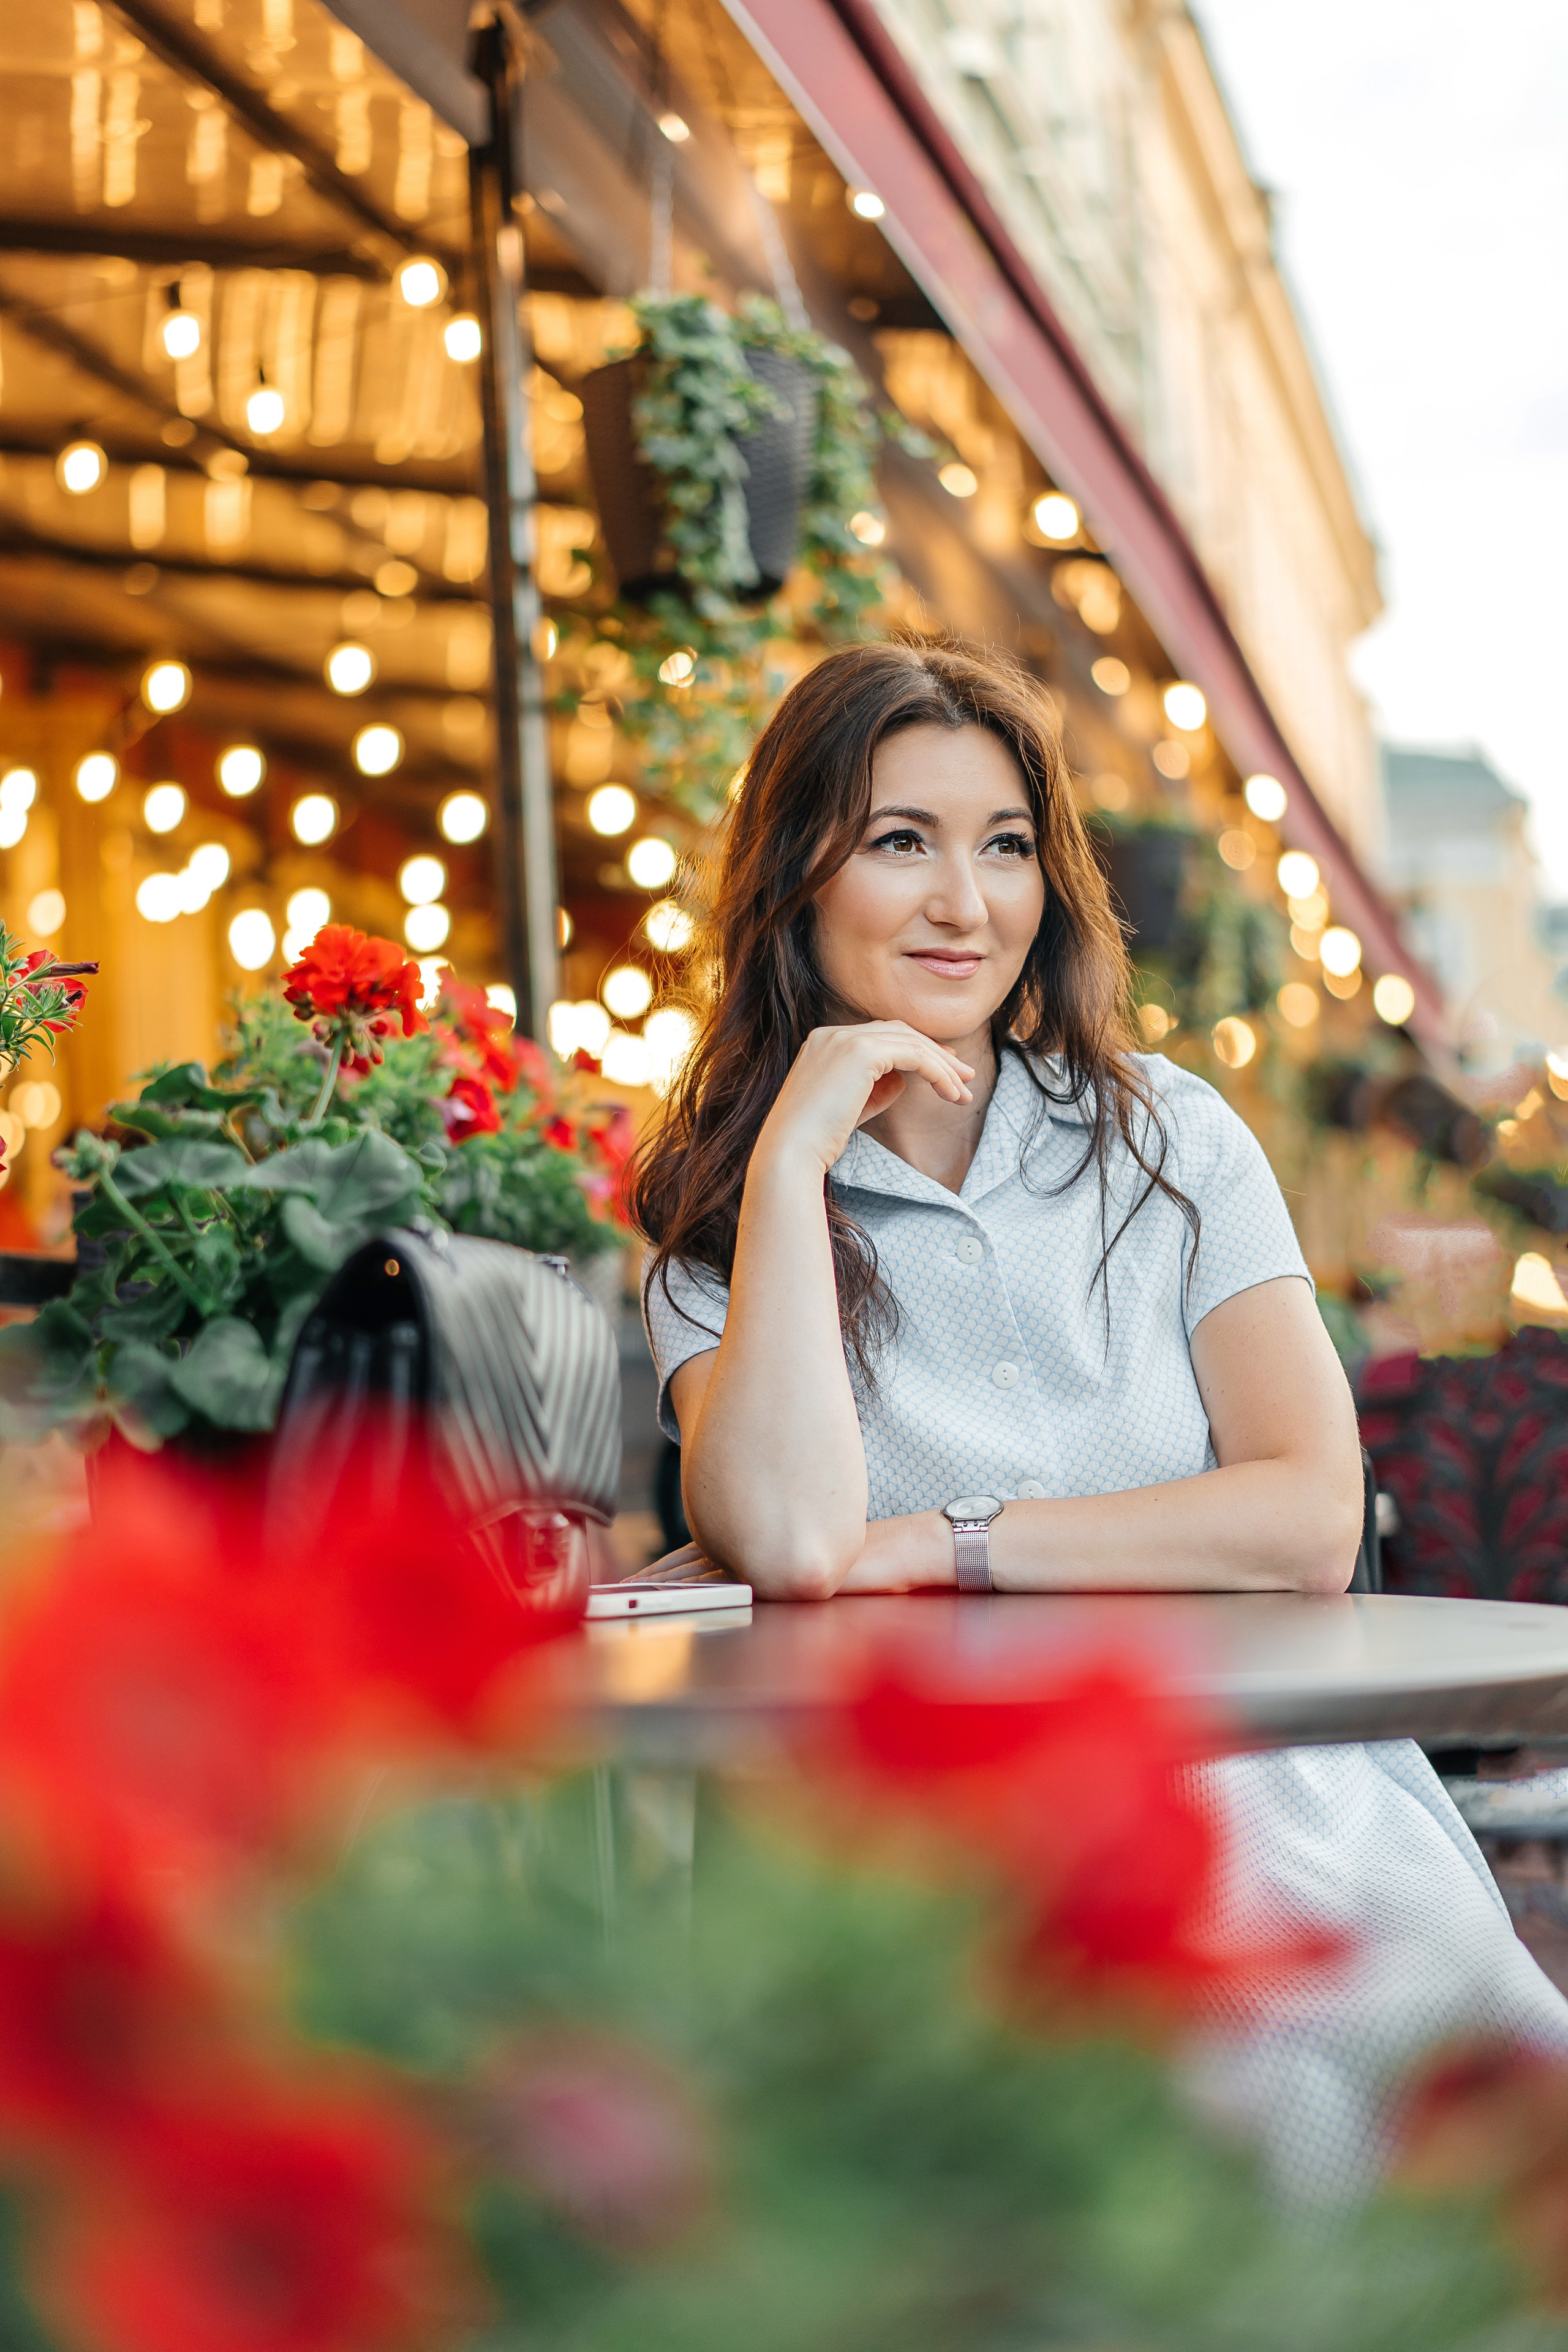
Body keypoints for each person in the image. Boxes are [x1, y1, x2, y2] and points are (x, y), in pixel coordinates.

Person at [633, 640, 1568, 2198]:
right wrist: (793, 1156)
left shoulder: (1169, 1138)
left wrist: (947, 1539)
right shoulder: (722, 1234)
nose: (964, 903)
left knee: (1429, 2075)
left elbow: (1304, 1521)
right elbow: (793, 1538)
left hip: (1262, 1773)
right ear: (794, 878)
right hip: (947, 1824)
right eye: (897, 842)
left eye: (1004, 847)